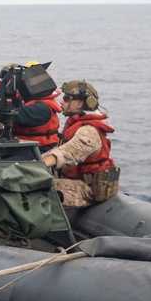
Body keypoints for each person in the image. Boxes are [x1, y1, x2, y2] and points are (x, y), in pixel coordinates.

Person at [42, 80, 116, 208]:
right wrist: (33, 162)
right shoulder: (75, 125)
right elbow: (61, 149)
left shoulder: (89, 131)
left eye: (66, 99)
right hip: (75, 180)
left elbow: (69, 152)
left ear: (80, 103)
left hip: (87, 188)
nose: (61, 102)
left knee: (35, 186)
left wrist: (39, 165)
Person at [0, 62, 62, 152]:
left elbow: (6, 114)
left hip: (38, 151)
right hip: (28, 147)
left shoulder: (41, 108)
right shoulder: (37, 104)